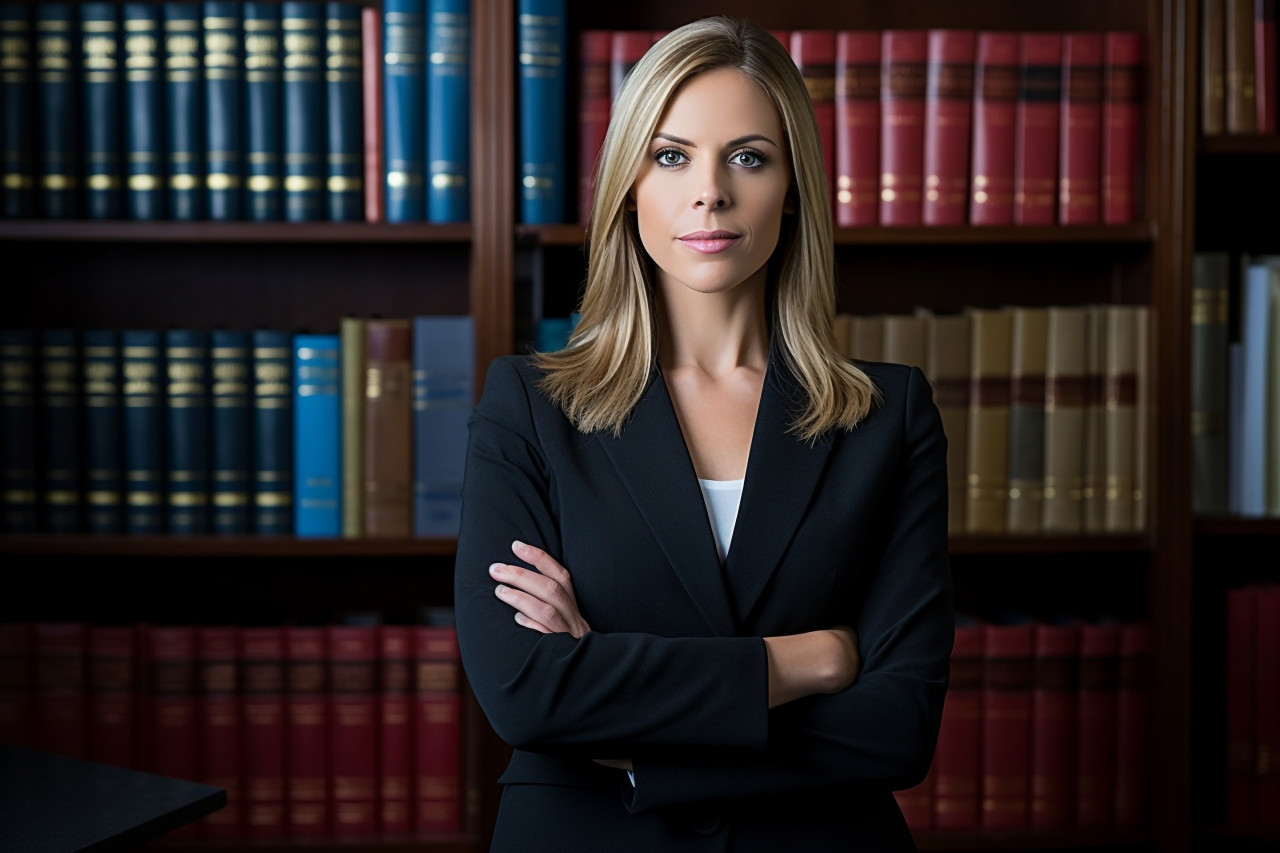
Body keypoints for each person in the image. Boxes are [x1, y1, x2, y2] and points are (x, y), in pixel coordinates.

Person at [453, 15, 953, 852]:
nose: (710, 191)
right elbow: (527, 694)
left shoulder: (886, 415)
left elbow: (897, 726)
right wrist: (804, 663)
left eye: (748, 157)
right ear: (629, 183)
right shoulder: (530, 407)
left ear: (792, 186)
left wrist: (634, 735)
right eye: (671, 155)